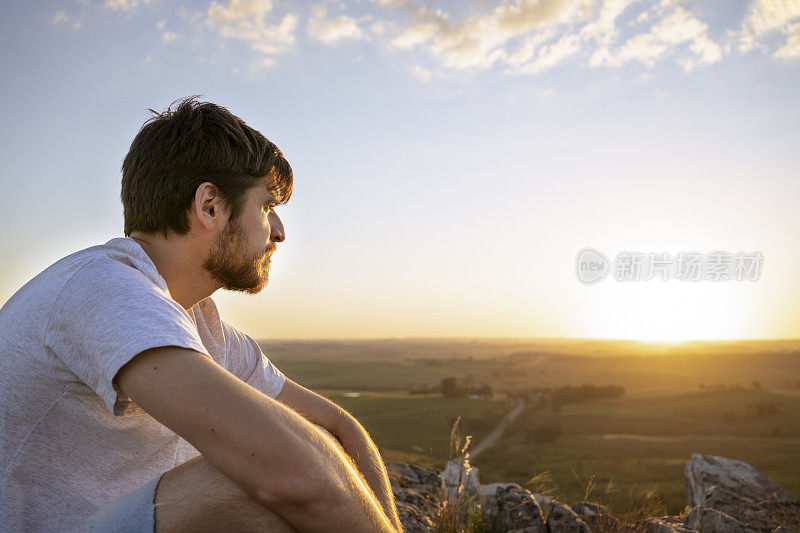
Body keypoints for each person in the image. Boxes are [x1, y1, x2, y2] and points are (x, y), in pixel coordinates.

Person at [0, 97, 402, 533]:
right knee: (245, 483)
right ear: (210, 205)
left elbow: (337, 428)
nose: (280, 232)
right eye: (267, 207)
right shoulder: (103, 289)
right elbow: (297, 474)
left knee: (303, 446)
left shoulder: (205, 328)